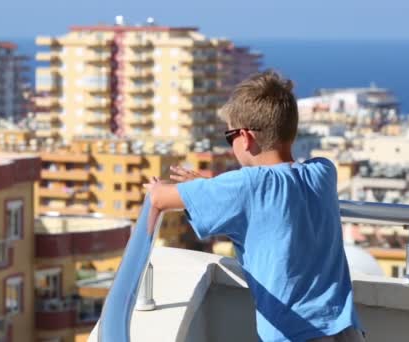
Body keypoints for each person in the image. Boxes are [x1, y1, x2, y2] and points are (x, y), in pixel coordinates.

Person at [146, 70, 364, 342]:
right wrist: (207, 186)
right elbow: (275, 192)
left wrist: (157, 188)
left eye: (230, 137)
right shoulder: (323, 171)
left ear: (246, 137)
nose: (230, 146)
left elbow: (160, 198)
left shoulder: (247, 185)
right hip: (345, 329)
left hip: (293, 334)